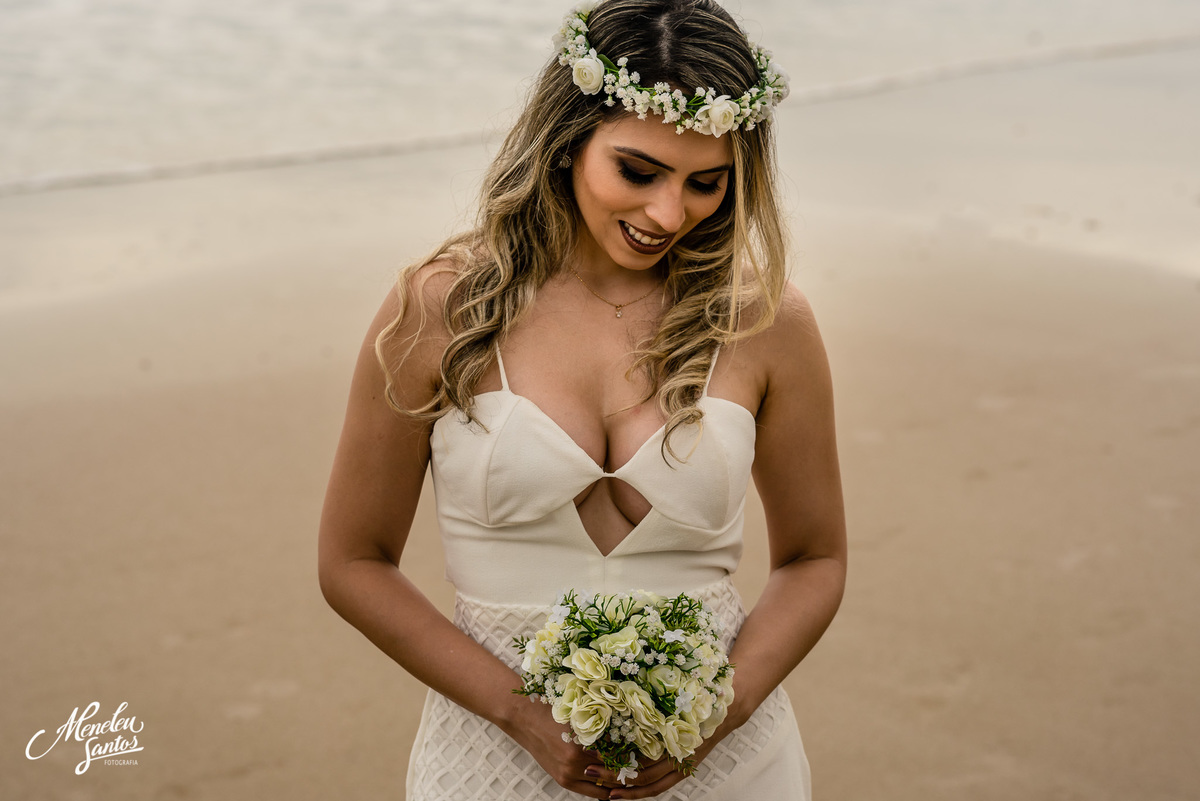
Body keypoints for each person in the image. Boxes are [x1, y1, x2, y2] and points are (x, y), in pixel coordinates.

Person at [317, 0, 846, 798]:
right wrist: (518, 710)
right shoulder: (443, 308)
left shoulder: (767, 320)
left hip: (728, 763)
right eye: (638, 172)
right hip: (495, 755)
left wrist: (718, 713)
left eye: (707, 183)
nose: (669, 213)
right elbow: (352, 562)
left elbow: (815, 558)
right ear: (567, 140)